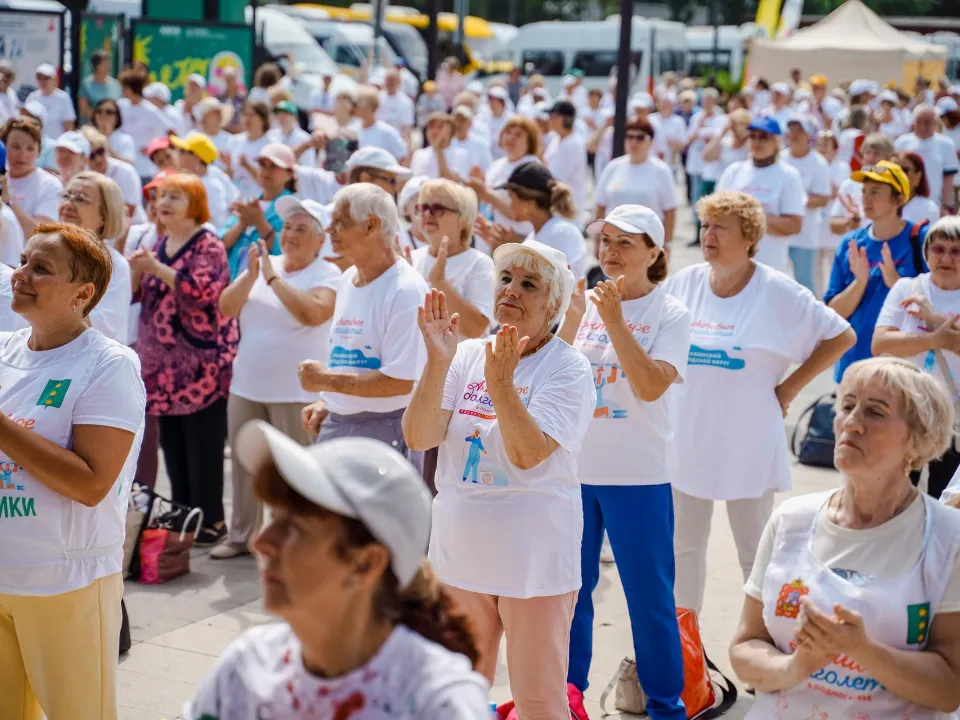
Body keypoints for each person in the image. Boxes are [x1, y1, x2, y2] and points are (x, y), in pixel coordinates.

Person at [402, 239, 595, 720]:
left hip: (532, 565)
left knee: (537, 701)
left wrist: (504, 385)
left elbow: (529, 454)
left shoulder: (569, 368)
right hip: (459, 558)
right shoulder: (465, 354)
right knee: (455, 693)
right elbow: (420, 435)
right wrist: (437, 361)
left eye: (529, 284)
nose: (511, 289)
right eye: (506, 279)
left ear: (552, 306)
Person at [186, 426, 491, 718]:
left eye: (294, 527)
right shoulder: (244, 669)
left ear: (366, 564)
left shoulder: (439, 703)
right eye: (273, 517)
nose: (261, 542)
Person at [730, 356, 960, 720]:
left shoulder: (948, 539)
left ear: (918, 440)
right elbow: (745, 647)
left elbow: (950, 689)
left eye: (876, 412)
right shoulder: (791, 520)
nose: (851, 422)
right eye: (847, 405)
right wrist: (796, 667)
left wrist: (861, 650)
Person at [664, 191, 855, 615]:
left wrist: (789, 388)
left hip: (748, 442)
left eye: (720, 228)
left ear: (749, 238)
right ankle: (686, 655)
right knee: (684, 551)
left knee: (756, 553)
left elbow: (841, 335)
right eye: (705, 225)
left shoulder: (778, 291)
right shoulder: (685, 282)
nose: (707, 235)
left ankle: (764, 639)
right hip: (688, 439)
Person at [0, 221, 145, 720]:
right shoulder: (3, 350)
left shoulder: (109, 365)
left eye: (41, 269)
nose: (21, 274)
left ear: (83, 293)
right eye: (23, 261)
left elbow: (90, 483)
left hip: (65, 580)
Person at [558, 206, 690, 720]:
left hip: (639, 476)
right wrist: (574, 319)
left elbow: (652, 383)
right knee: (571, 590)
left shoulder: (669, 312)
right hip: (575, 473)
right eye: (605, 240)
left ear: (654, 253)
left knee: (648, 597)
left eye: (625, 243)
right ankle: (567, 694)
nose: (609, 251)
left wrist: (614, 321)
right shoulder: (587, 304)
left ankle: (664, 704)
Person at [214, 197, 341, 560]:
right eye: (286, 227)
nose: (290, 235)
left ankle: (297, 539)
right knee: (243, 463)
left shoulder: (327, 274)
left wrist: (271, 278)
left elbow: (313, 313)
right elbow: (226, 308)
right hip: (247, 384)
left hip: (295, 392)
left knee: (296, 471)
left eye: (302, 229)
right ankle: (241, 536)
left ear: (320, 240)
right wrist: (254, 276)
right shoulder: (264, 264)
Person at [129, 173, 237, 547]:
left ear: (195, 204)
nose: (165, 202)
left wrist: (155, 268)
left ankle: (210, 522)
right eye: (161, 196)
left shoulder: (209, 243)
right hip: (162, 369)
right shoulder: (159, 241)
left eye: (176, 196)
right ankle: (184, 516)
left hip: (201, 369)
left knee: (202, 446)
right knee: (173, 447)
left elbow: (203, 291)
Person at [297, 184, 428, 454]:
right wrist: (329, 404)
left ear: (371, 225)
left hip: (384, 434)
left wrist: (325, 381)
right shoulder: (347, 279)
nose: (329, 229)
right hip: (340, 426)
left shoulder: (406, 290)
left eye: (339, 222)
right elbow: (348, 359)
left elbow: (399, 382)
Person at [874, 216, 960, 499]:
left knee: (945, 502)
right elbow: (882, 343)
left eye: (956, 250)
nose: (946, 257)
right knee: (892, 497)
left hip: (952, 418)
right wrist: (934, 339)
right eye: (938, 249)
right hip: (904, 410)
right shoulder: (908, 288)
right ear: (927, 252)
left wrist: (933, 318)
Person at [826, 160, 929, 382]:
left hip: (905, 368)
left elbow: (940, 299)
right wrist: (859, 283)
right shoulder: (850, 242)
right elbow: (832, 313)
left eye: (875, 191)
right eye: (864, 191)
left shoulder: (921, 239)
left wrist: (899, 284)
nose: (866, 198)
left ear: (900, 199)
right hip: (854, 365)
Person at [716, 116, 805, 273]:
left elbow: (794, 225)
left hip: (770, 267)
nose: (757, 142)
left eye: (764, 137)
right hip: (731, 265)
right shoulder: (734, 171)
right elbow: (715, 213)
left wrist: (751, 218)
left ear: (777, 141)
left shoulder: (788, 175)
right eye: (753, 136)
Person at [410, 179, 494, 340]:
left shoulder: (480, 264)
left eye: (437, 208)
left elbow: (476, 329)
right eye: (423, 207)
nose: (427, 214)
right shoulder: (412, 259)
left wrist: (440, 282)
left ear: (462, 220)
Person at [57, 172, 132, 344]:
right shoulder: (41, 251)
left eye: (81, 199)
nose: (68, 204)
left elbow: (104, 329)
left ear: (104, 215)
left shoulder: (115, 265)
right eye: (66, 195)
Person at [494, 161, 587, 279]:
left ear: (528, 203)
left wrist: (518, 253)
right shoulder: (535, 235)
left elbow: (564, 285)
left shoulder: (562, 233)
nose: (510, 205)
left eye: (512, 198)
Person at [220, 143, 297, 279]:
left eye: (273, 166)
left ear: (289, 174)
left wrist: (259, 222)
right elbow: (222, 243)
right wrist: (242, 224)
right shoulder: (247, 203)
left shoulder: (294, 209)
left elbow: (288, 251)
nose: (267, 171)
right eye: (262, 165)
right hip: (234, 284)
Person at [594, 118, 677, 243]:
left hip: (647, 241)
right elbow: (601, 206)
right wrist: (597, 241)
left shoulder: (661, 170)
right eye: (630, 137)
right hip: (614, 239)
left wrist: (667, 244)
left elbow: (670, 211)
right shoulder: (613, 167)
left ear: (650, 142)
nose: (634, 142)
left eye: (640, 138)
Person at [466, 115, 541, 253]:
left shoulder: (531, 167)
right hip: (490, 238)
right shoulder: (498, 164)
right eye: (508, 132)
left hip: (517, 241)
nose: (511, 137)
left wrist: (486, 194)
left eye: (518, 135)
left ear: (530, 141)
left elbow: (520, 212)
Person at [783, 116, 833, 294]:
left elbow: (823, 198)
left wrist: (795, 201)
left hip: (805, 235)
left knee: (804, 284)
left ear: (809, 136)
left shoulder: (818, 163)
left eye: (799, 131)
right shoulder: (780, 158)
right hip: (778, 234)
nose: (794, 135)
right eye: (792, 131)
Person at [2, 116, 64, 237]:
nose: (22, 155)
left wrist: (9, 202)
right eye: (15, 147)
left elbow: (42, 235)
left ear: (38, 151)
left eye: (30, 149)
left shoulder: (50, 185)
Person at [895, 104, 958, 212]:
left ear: (935, 122)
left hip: (934, 204)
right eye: (919, 122)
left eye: (927, 122)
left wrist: (945, 206)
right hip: (904, 203)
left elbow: (948, 178)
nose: (923, 126)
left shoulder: (946, 144)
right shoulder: (902, 142)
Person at [117, 70, 175, 181]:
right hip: (124, 164)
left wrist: (155, 148)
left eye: (125, 88)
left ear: (132, 88)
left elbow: (171, 131)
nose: (122, 91)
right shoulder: (121, 105)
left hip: (144, 168)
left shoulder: (150, 110)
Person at [172, 133, 237, 228]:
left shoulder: (211, 184)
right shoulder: (213, 171)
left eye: (182, 151)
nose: (177, 154)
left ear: (197, 157)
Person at [543, 100, 588, 224]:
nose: (549, 119)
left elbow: (554, 177)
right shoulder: (556, 139)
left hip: (568, 212)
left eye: (553, 116)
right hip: (557, 209)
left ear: (564, 119)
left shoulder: (573, 144)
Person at [227, 100, 273, 199]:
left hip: (259, 199)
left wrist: (247, 166)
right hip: (235, 198)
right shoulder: (234, 141)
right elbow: (229, 176)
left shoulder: (271, 145)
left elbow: (270, 181)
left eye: (251, 115)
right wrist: (228, 166)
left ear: (263, 119)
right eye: (244, 115)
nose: (247, 119)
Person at [351, 86, 408, 162]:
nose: (354, 107)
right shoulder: (352, 130)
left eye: (357, 103)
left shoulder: (387, 132)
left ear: (370, 106)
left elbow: (403, 156)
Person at [410, 113, 471, 181]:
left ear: (450, 131)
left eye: (440, 127)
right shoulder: (418, 154)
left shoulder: (461, 154)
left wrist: (438, 150)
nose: (435, 131)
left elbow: (451, 182)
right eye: (431, 127)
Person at [26, 64, 75, 139]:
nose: (43, 81)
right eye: (39, 78)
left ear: (54, 80)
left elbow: (68, 127)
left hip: (57, 145)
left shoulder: (63, 98)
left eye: (46, 78)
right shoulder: (32, 97)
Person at [896, 151, 942, 226]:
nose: (898, 176)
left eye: (904, 170)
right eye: (892, 171)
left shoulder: (928, 209)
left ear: (918, 176)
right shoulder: (876, 204)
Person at [78, 50, 121, 123]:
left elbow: (119, 105)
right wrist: (98, 120)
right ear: (96, 65)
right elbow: (83, 106)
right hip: (92, 126)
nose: (108, 66)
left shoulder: (116, 84)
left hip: (112, 126)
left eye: (108, 63)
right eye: (105, 63)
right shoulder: (86, 84)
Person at [268, 100, 315, 167]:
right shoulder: (271, 135)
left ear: (294, 116)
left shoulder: (305, 138)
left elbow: (309, 166)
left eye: (284, 114)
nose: (281, 118)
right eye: (278, 114)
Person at [91, 97, 135, 165]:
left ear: (117, 117)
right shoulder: (86, 136)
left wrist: (106, 144)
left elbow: (128, 164)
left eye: (109, 112)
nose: (103, 115)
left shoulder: (125, 139)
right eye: (99, 111)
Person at [451, 105, 493, 173]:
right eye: (456, 120)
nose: (458, 124)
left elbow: (488, 168)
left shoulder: (481, 143)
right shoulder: (446, 143)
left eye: (462, 120)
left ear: (470, 123)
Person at [378, 69, 416, 144]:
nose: (389, 83)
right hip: (378, 140)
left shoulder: (406, 102)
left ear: (398, 82)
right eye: (387, 80)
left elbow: (407, 127)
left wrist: (407, 145)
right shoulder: (377, 98)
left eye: (392, 80)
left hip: (396, 142)